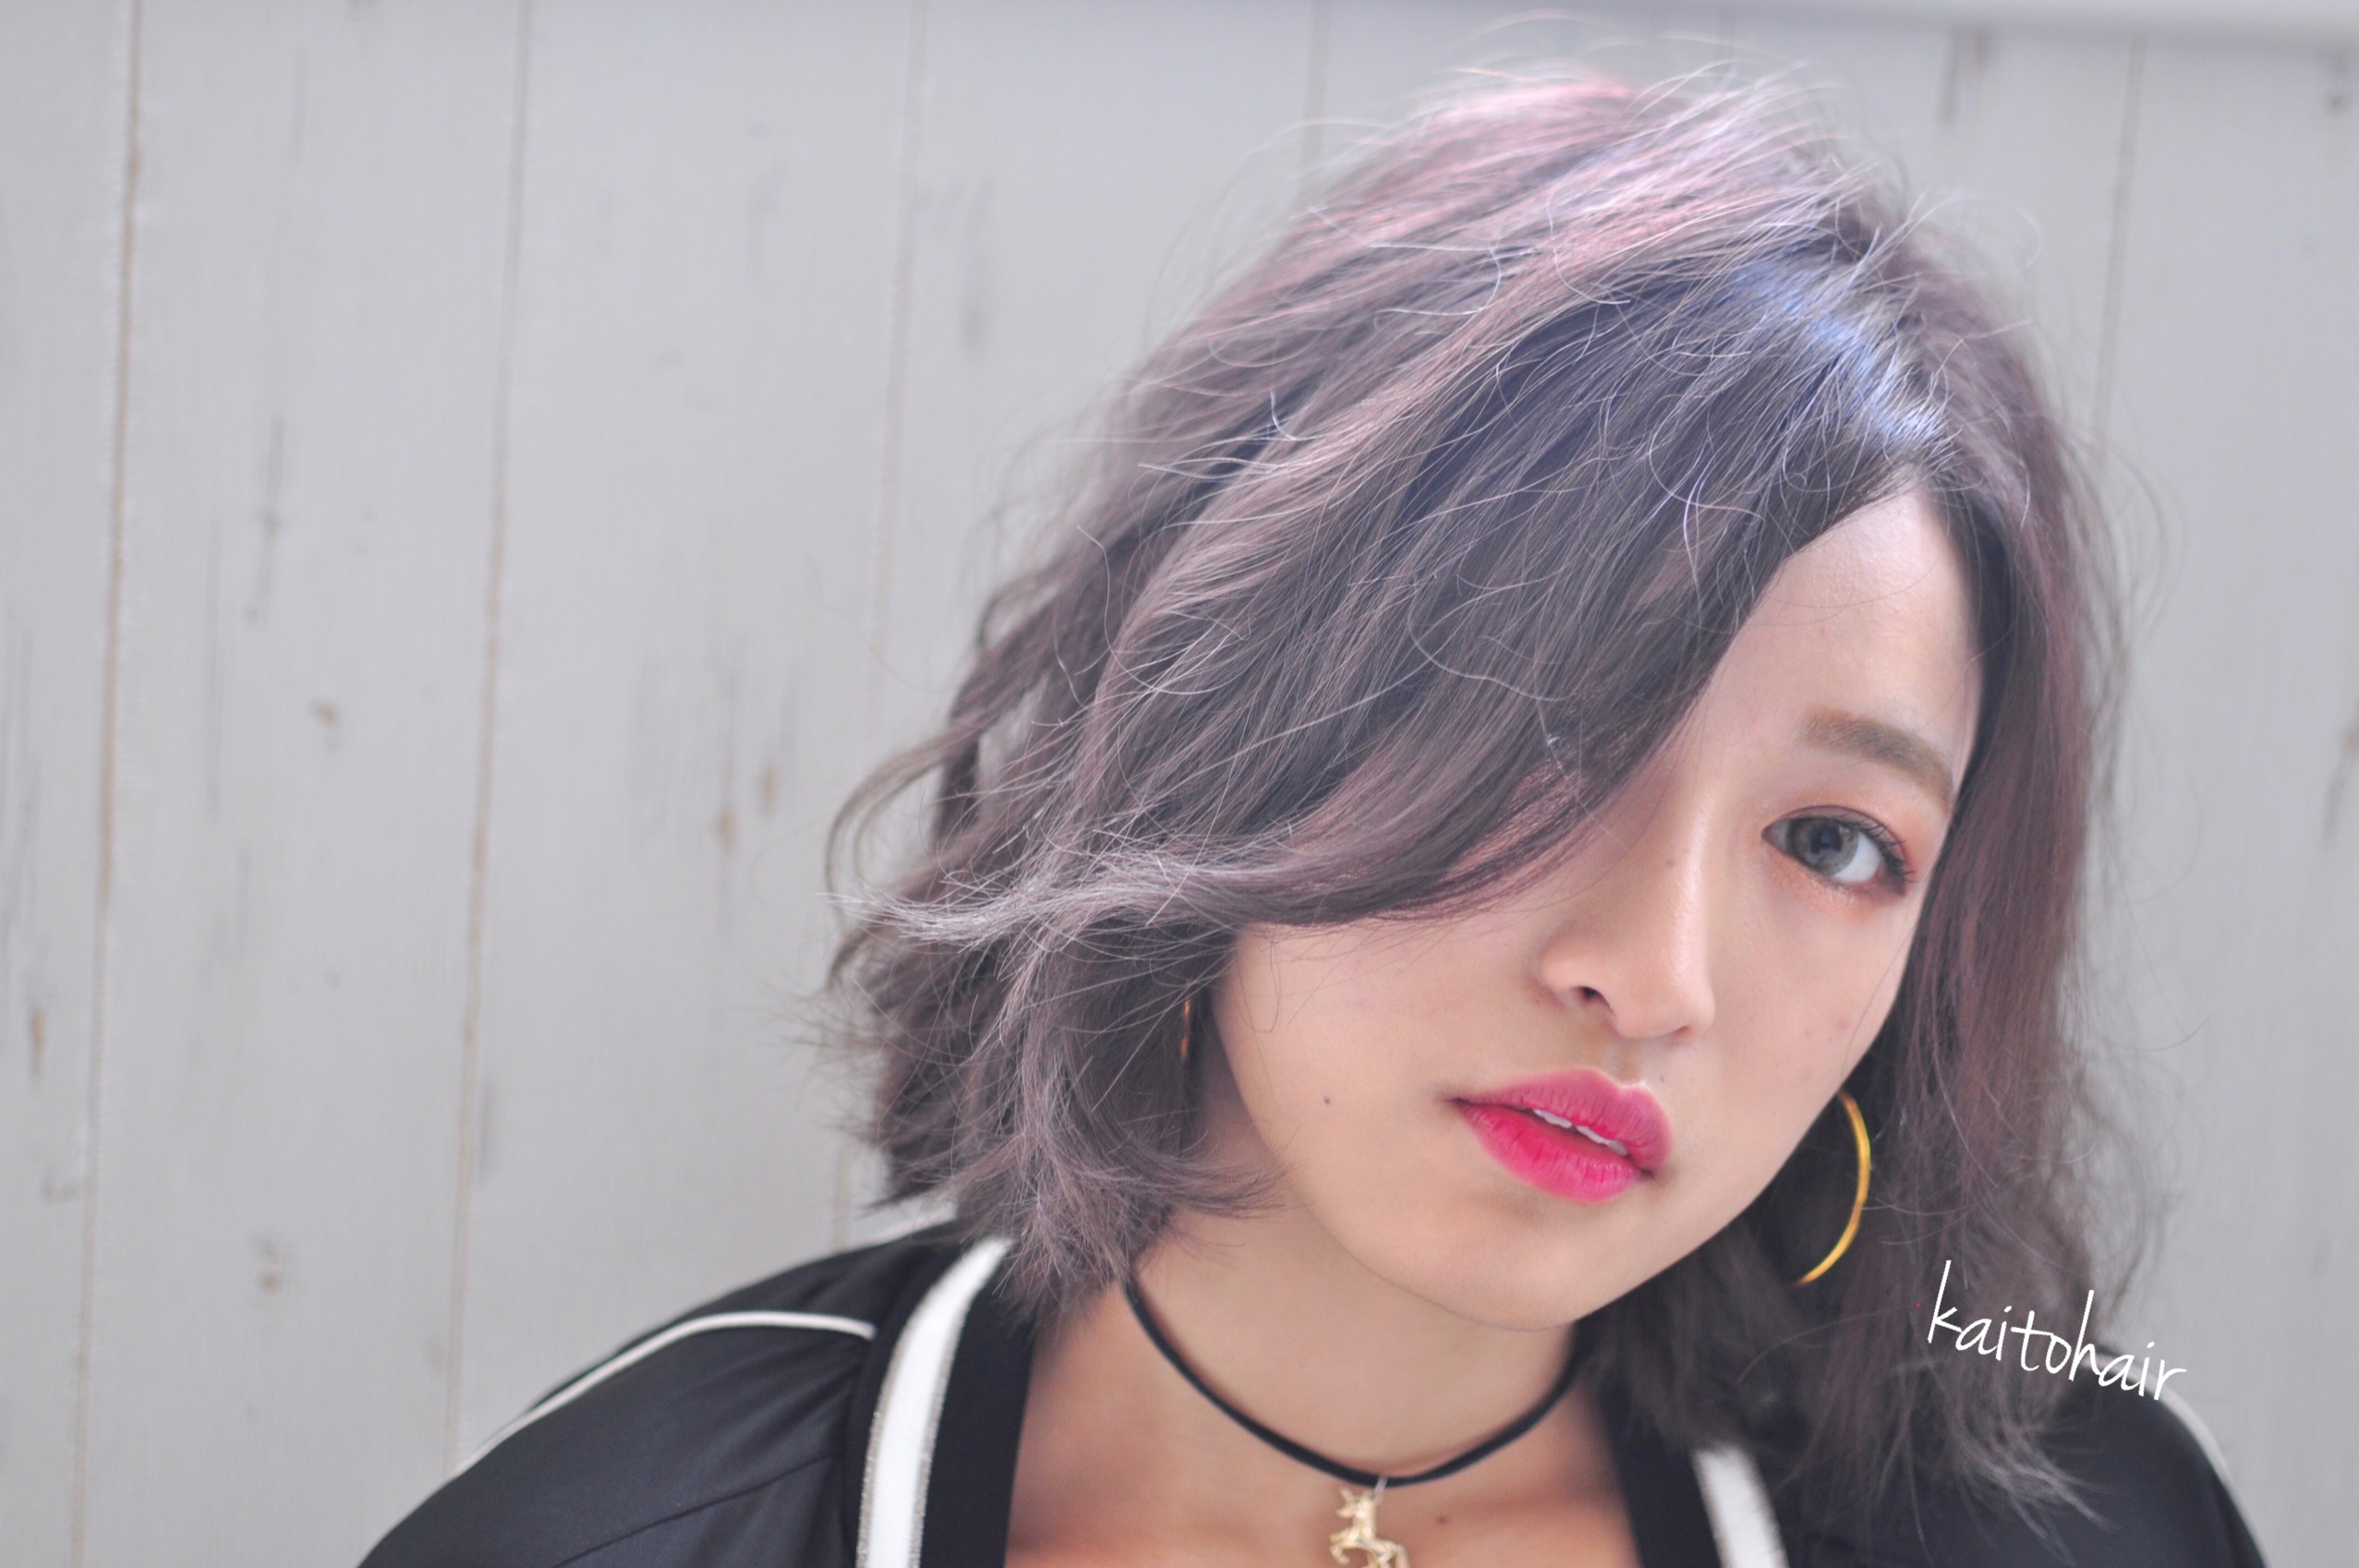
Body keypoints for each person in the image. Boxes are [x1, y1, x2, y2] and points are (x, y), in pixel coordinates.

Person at [360, 70, 2267, 1568]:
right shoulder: (618, 1533)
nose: (1652, 974)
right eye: (1552, 732)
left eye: (1831, 841)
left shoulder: (2084, 1527)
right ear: (1223, 712)